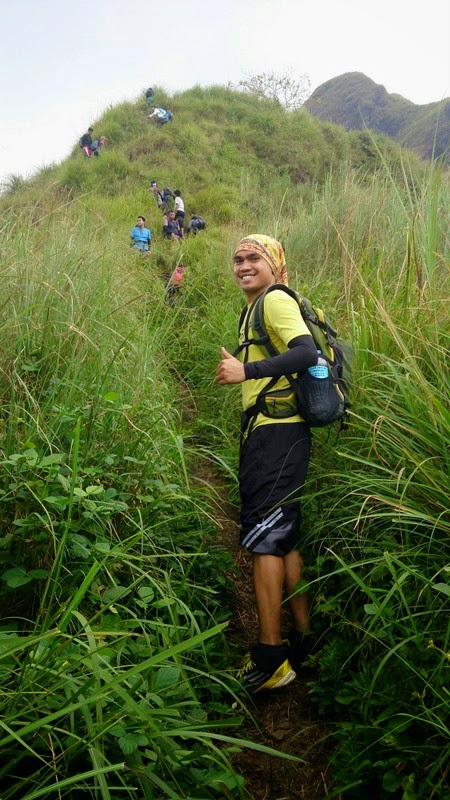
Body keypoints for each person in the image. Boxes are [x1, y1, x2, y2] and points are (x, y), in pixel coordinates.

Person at [215, 234, 317, 694]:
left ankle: (271, 657)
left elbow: (306, 352)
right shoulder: (257, 306)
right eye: (238, 258)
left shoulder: (273, 300)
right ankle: (304, 639)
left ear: (274, 263)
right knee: (284, 537)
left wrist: (246, 371)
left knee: (264, 540)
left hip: (275, 436)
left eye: (254, 257)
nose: (243, 265)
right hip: (280, 433)